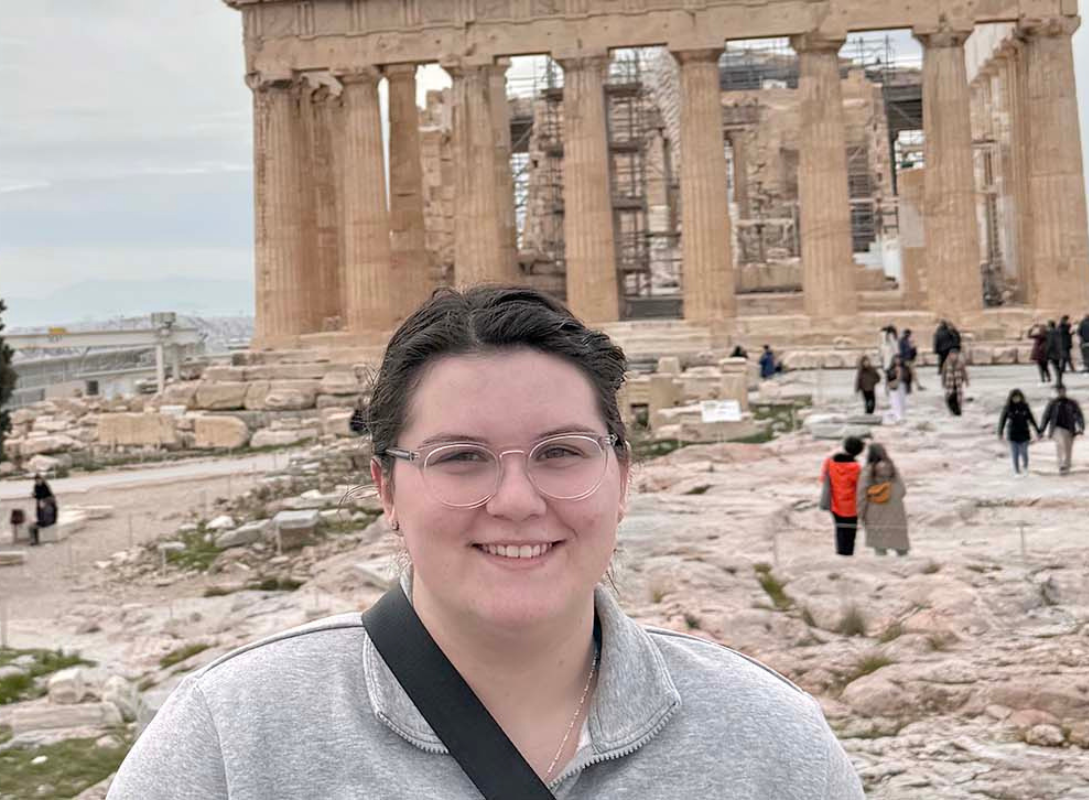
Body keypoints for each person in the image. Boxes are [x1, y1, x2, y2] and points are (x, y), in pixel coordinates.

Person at [108, 286, 864, 799]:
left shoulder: (771, 743)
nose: (515, 502)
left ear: (623, 477)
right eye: (459, 457)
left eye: (561, 452)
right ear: (385, 489)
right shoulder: (233, 739)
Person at [856, 444, 909, 557]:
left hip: (875, 510)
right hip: (896, 510)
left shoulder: (868, 471)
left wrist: (860, 513)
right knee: (900, 546)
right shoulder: (893, 469)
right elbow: (903, 490)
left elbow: (862, 494)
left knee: (879, 548)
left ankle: (883, 571)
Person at [820, 437, 866, 557]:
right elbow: (860, 487)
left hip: (834, 502)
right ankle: (847, 555)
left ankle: (840, 553)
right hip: (850, 505)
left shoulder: (830, 461)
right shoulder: (855, 468)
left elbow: (823, 479)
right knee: (850, 533)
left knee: (839, 529)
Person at [1039, 384, 1085, 476]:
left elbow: (1078, 415)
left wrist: (1081, 427)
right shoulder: (1052, 403)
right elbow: (1046, 416)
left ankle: (1066, 466)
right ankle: (1062, 465)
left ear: (1065, 391)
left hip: (1070, 429)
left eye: (1062, 391)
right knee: (1061, 444)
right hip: (1057, 428)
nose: (1060, 393)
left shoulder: (1071, 403)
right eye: (1058, 391)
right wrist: (1042, 430)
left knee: (1068, 448)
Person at [997, 389, 1039, 476]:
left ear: (1021, 397)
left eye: (1018, 397)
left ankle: (1025, 467)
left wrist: (1037, 430)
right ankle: (1016, 470)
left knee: (1024, 452)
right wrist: (1000, 432)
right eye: (1014, 397)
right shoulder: (1008, 408)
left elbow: (1031, 418)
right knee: (1015, 453)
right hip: (1013, 434)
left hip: (1024, 433)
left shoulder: (1025, 407)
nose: (1016, 399)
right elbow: (1002, 420)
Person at [941, 348, 970, 417]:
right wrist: (943, 382)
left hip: (958, 383)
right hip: (949, 383)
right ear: (949, 355)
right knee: (948, 397)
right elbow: (944, 373)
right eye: (952, 355)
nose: (954, 356)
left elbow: (964, 372)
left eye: (955, 355)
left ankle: (958, 410)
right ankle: (951, 410)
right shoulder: (946, 363)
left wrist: (966, 381)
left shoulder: (960, 363)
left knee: (959, 397)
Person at [887, 358, 914, 423]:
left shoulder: (905, 368)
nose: (897, 361)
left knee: (902, 402)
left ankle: (902, 415)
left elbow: (908, 377)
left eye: (899, 359)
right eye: (896, 359)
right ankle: (897, 416)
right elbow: (889, 378)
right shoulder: (891, 369)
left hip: (902, 386)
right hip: (894, 387)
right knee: (895, 401)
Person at [1047, 319, 1071, 384]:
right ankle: (1059, 380)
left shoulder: (1050, 332)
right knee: (1058, 367)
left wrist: (1047, 352)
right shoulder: (1059, 331)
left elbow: (1050, 343)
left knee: (1056, 367)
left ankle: (1059, 381)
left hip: (1053, 352)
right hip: (1060, 350)